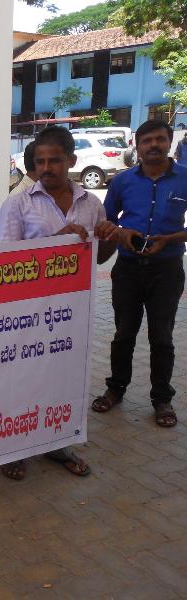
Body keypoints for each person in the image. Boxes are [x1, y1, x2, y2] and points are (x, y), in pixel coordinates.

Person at [0, 125, 120, 480]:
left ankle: (55, 442)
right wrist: (56, 241)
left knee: (61, 378)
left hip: (72, 311)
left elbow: (98, 258)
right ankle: (14, 447)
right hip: (28, 310)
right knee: (22, 378)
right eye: (41, 161)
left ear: (72, 161)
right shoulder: (19, 202)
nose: (47, 168)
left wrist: (109, 238)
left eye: (55, 161)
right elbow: (6, 262)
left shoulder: (91, 203)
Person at [93, 119, 187, 427]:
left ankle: (162, 399)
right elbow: (106, 221)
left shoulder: (184, 178)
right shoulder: (122, 181)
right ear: (137, 145)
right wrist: (121, 232)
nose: (153, 145)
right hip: (128, 269)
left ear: (170, 142)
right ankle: (115, 389)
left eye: (159, 139)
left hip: (167, 269)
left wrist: (170, 239)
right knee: (123, 333)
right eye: (147, 140)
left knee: (162, 336)